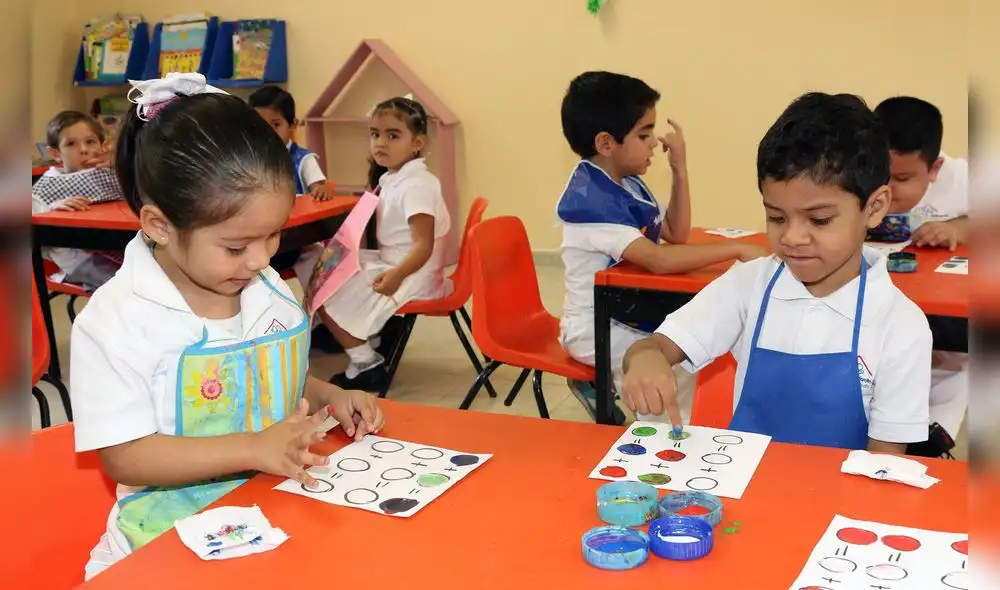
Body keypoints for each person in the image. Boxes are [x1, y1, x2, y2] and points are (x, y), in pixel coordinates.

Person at [70, 73, 384, 580]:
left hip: (274, 514)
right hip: (166, 542)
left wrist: (327, 396)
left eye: (273, 235)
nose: (260, 259)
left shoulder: (265, 288)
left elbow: (261, 376)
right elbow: (125, 455)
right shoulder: (116, 322)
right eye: (237, 246)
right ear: (159, 226)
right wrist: (251, 447)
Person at [622, 92, 931, 452]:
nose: (792, 237)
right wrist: (646, 359)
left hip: (842, 503)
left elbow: (885, 465)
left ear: (874, 207)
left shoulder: (901, 326)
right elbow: (654, 346)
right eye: (776, 217)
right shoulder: (748, 285)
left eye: (819, 219)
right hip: (747, 492)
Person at [555, 71, 765, 422]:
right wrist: (737, 249)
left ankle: (624, 401)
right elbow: (657, 259)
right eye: (644, 134)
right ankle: (659, 449)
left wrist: (679, 169)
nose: (654, 142)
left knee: (693, 351)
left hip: (627, 313)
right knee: (675, 374)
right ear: (606, 143)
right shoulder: (588, 202)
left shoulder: (627, 183)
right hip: (596, 328)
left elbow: (676, 232)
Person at [296, 96, 451, 391]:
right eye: (375, 134)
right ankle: (370, 338)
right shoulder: (395, 177)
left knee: (325, 286)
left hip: (411, 273)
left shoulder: (417, 185)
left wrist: (396, 275)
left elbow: (423, 245)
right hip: (397, 263)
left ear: (417, 143)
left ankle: (365, 362)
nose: (381, 142)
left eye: (393, 135)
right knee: (320, 265)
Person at [874, 96, 970, 451]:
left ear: (934, 168)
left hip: (943, 318)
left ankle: (932, 437)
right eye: (881, 175)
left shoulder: (963, 179)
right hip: (881, 307)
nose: (889, 189)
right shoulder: (853, 170)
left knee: (952, 360)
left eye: (902, 178)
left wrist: (960, 227)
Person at [31, 110, 123, 291]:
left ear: (102, 145)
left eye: (90, 142)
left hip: (124, 247)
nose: (84, 149)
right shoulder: (46, 187)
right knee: (124, 289)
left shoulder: (110, 172)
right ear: (56, 154)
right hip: (81, 259)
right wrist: (52, 208)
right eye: (71, 144)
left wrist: (121, 164)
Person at [870, 96, 968, 249]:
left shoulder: (960, 178)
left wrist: (957, 228)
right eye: (878, 173)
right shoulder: (844, 169)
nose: (886, 188)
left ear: (934, 169)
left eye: (902, 178)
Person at [249, 85, 333, 200]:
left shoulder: (303, 159)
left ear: (293, 125)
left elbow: (318, 187)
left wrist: (321, 189)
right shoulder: (248, 158)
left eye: (275, 125)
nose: (267, 132)